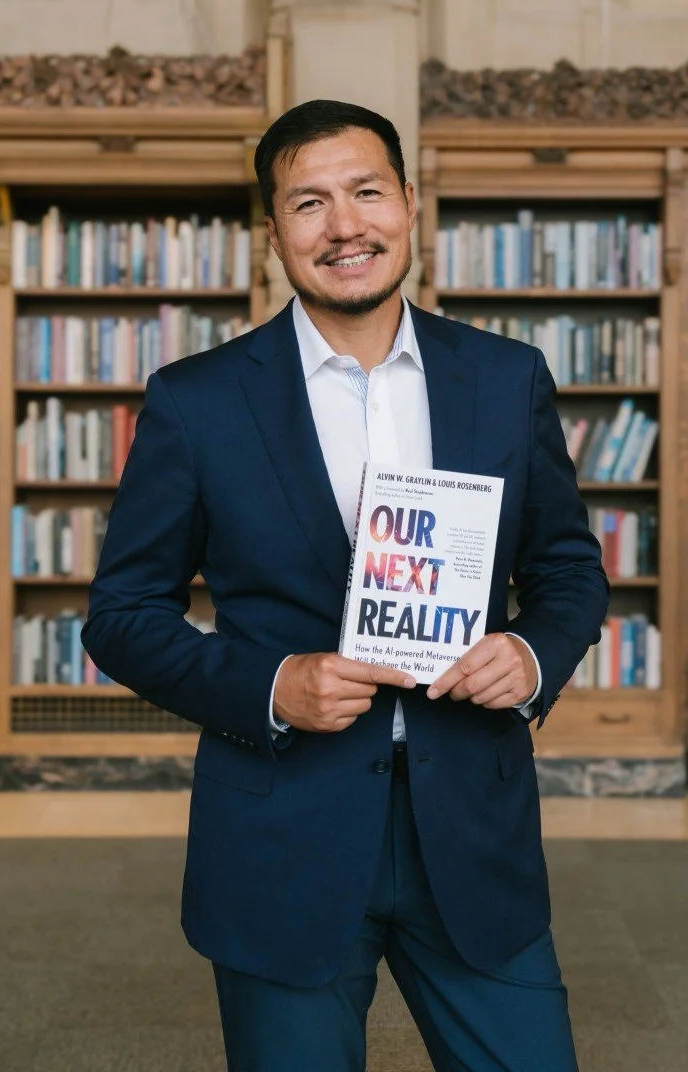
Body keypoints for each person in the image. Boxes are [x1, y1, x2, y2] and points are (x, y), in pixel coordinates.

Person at [82, 99, 610, 1071]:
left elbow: (569, 567)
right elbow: (120, 616)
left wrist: (531, 652)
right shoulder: (198, 401)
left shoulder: (504, 378)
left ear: (409, 203)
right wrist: (270, 685)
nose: (343, 225)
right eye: (308, 202)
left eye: (366, 191)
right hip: (282, 832)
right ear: (271, 231)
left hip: (473, 831)